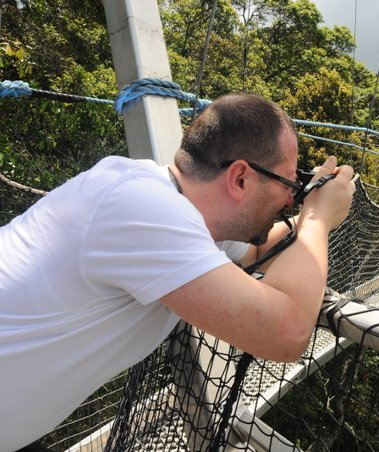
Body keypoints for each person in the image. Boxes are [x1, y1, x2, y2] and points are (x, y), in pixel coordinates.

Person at [0, 93, 356, 451]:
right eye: (289, 184)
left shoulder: (173, 206)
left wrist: (315, 206)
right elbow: (287, 334)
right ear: (240, 178)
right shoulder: (146, 212)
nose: (292, 199)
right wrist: (318, 217)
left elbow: (260, 252)